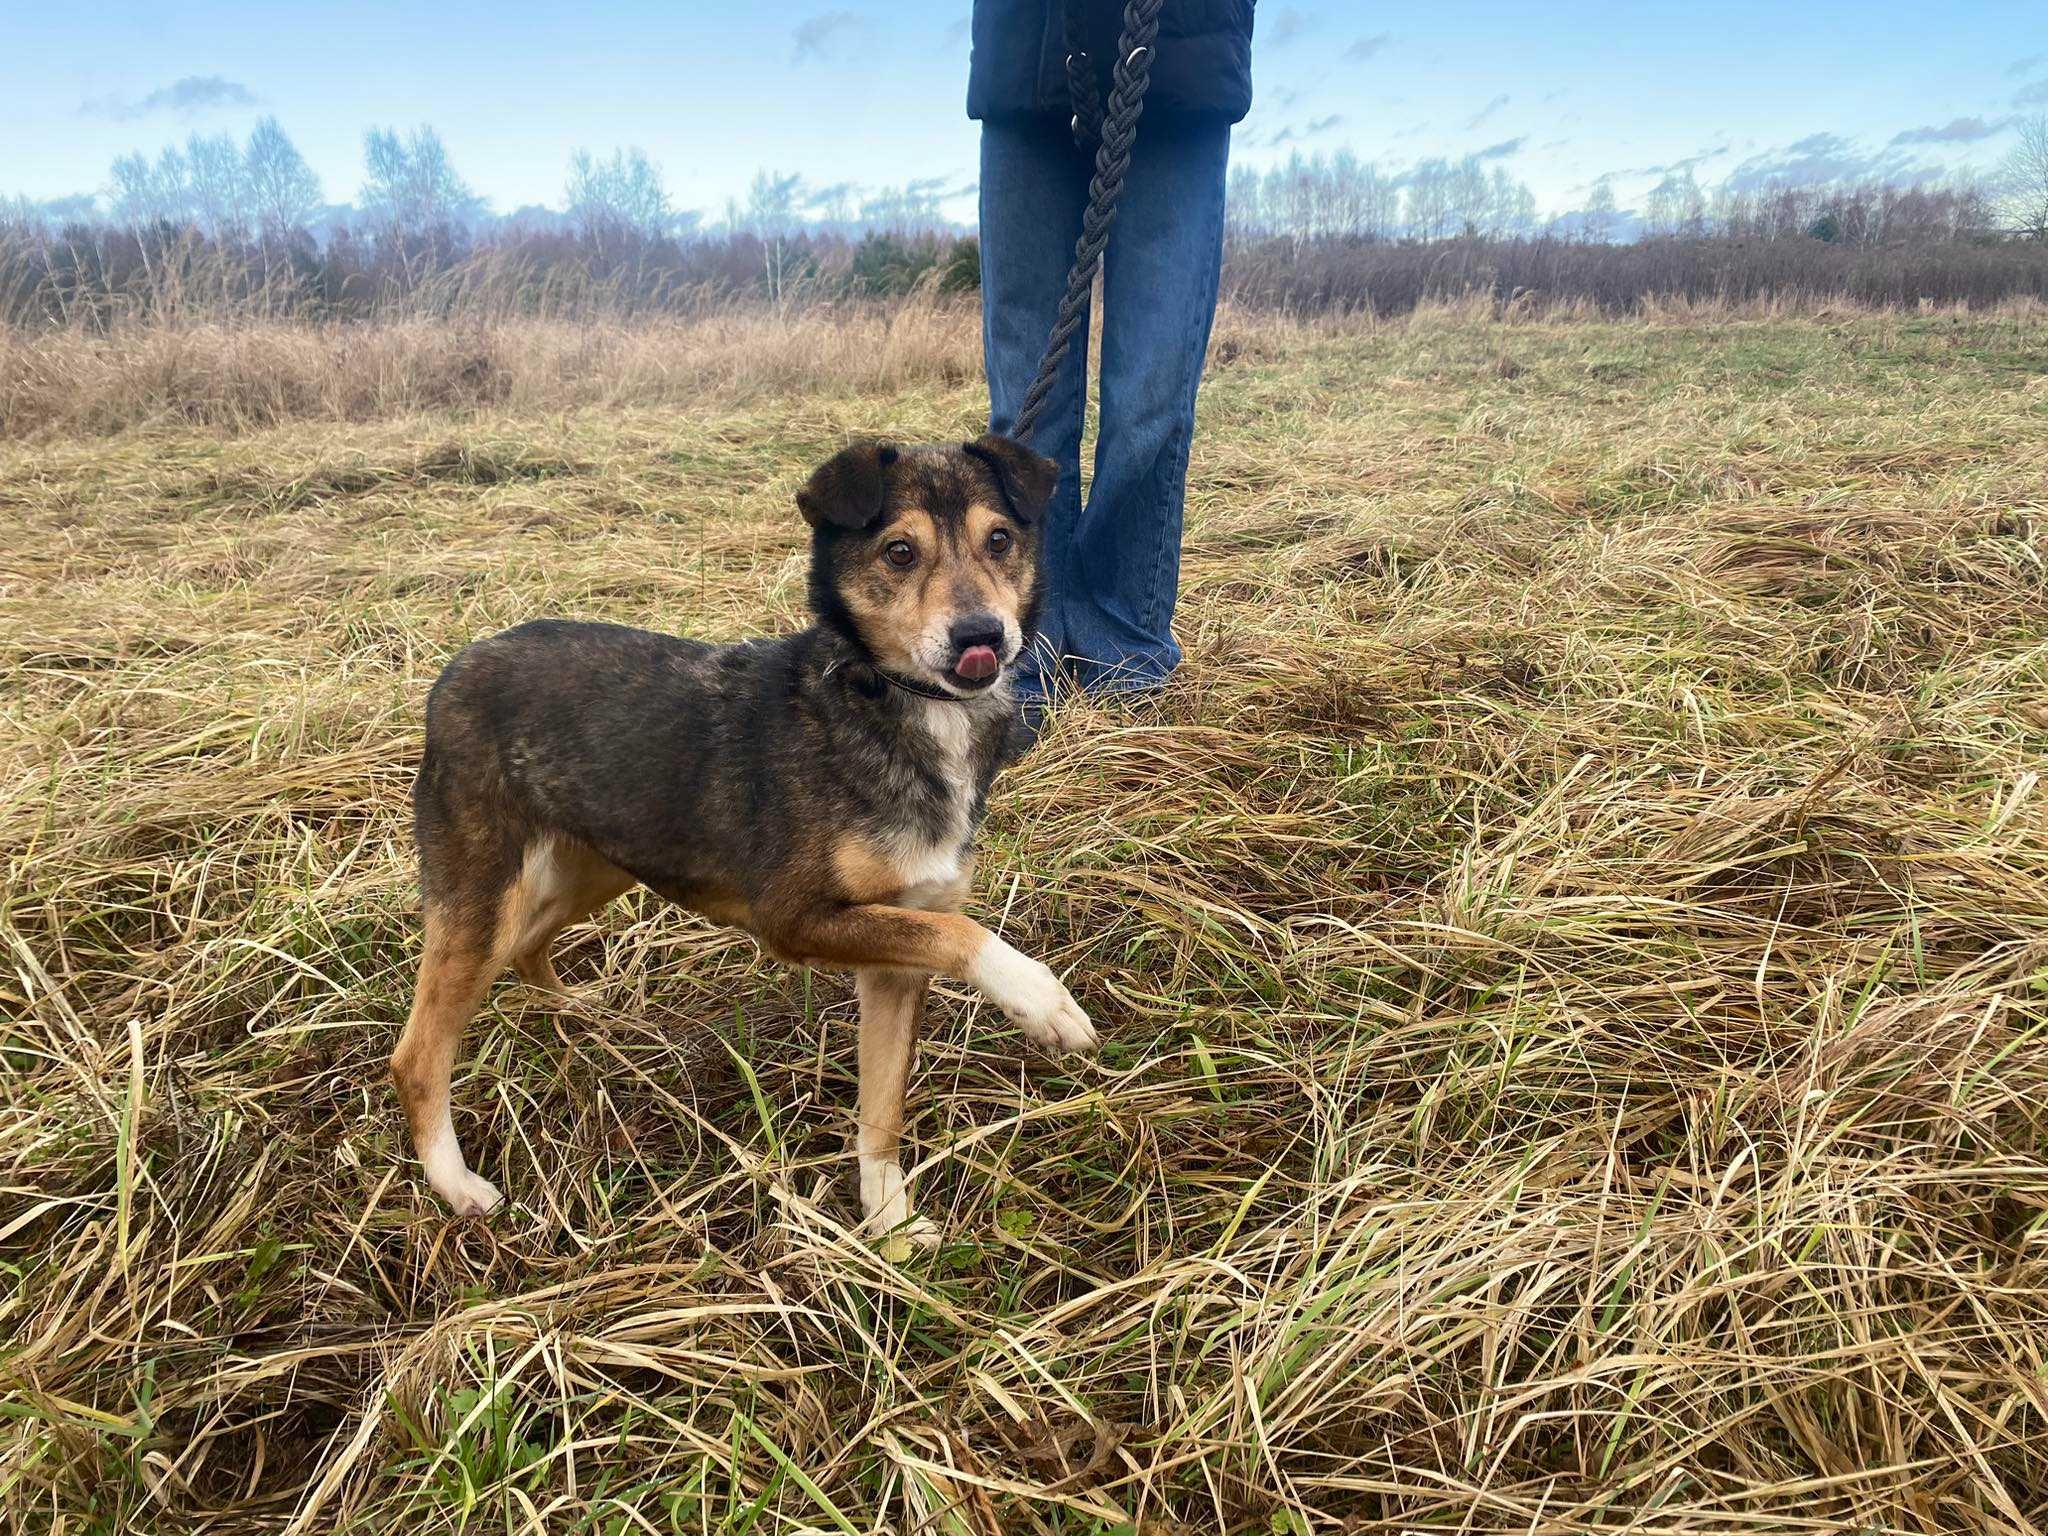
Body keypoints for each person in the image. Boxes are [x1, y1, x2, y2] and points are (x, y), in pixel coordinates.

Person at [969, 0, 1253, 702]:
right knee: (1026, 404)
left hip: (1184, 59)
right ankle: (1027, 639)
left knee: (1152, 401)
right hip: (1025, 59)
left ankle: (1126, 647)